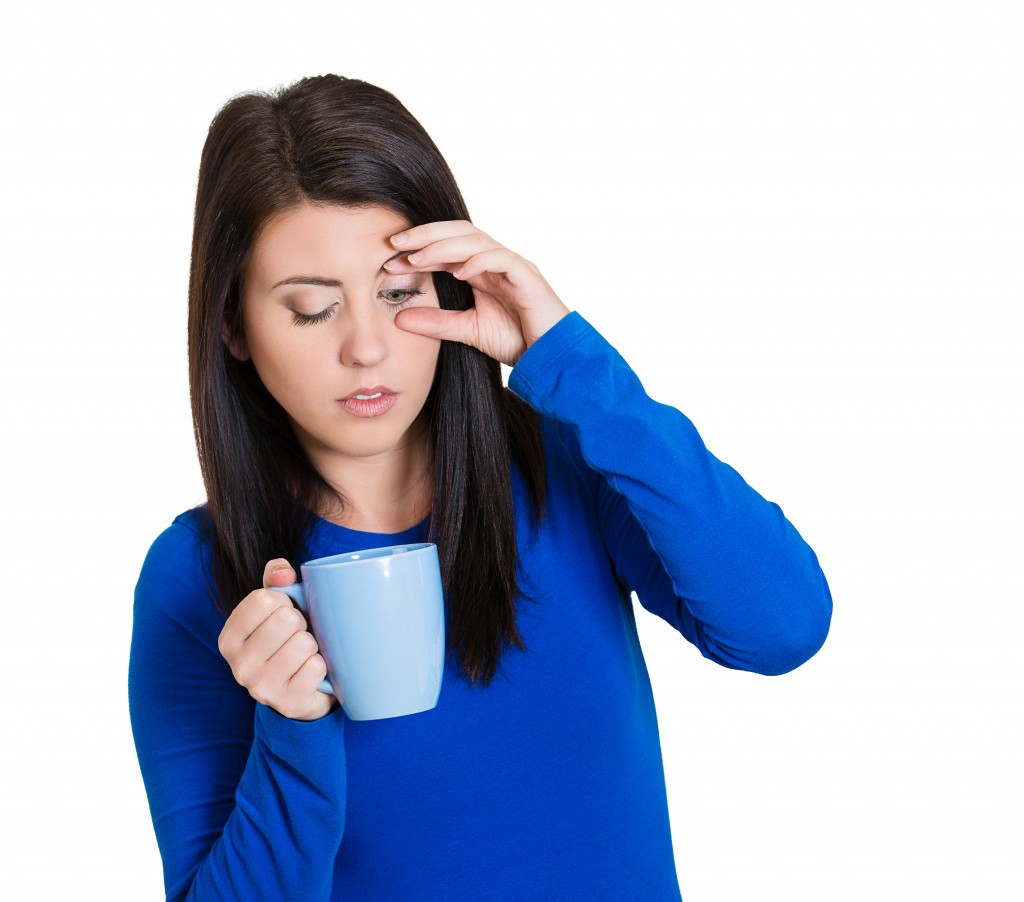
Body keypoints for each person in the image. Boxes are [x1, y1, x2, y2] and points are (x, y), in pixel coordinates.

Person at [129, 74, 832, 901]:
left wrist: (570, 362)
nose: (367, 347)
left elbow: (782, 628)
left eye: (397, 293)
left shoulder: (564, 462)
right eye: (313, 309)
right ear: (233, 327)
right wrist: (292, 726)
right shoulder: (194, 579)